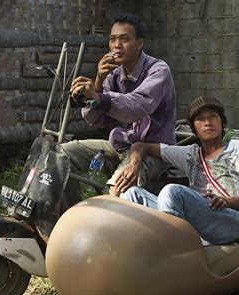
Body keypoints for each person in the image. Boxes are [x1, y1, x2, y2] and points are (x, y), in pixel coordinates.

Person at [118, 96, 239, 245]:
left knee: (172, 192)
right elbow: (141, 146)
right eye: (200, 119)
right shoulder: (190, 154)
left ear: (222, 122)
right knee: (132, 194)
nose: (208, 123)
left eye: (213, 116)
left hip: (238, 221)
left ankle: (172, 253)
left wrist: (228, 202)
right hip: (200, 221)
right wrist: (134, 163)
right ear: (194, 128)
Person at [65, 13, 176, 199]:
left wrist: (99, 97)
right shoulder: (113, 75)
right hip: (118, 145)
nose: (117, 45)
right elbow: (96, 120)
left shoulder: (158, 71)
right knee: (59, 155)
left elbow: (137, 106)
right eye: (113, 39)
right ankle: (68, 215)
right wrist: (98, 81)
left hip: (152, 151)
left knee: (118, 187)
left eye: (124, 39)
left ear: (139, 43)